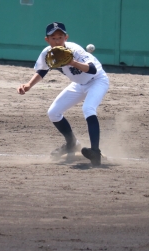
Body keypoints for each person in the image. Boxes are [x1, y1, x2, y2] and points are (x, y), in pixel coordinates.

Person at [17, 22, 110, 166]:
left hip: (97, 81)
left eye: (60, 37)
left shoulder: (75, 50)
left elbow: (92, 69)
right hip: (78, 84)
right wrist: (29, 85)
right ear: (47, 39)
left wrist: (73, 62)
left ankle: (95, 153)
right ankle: (72, 143)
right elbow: (42, 70)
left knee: (88, 109)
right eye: (53, 38)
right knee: (53, 112)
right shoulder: (47, 53)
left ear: (66, 37)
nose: (57, 41)